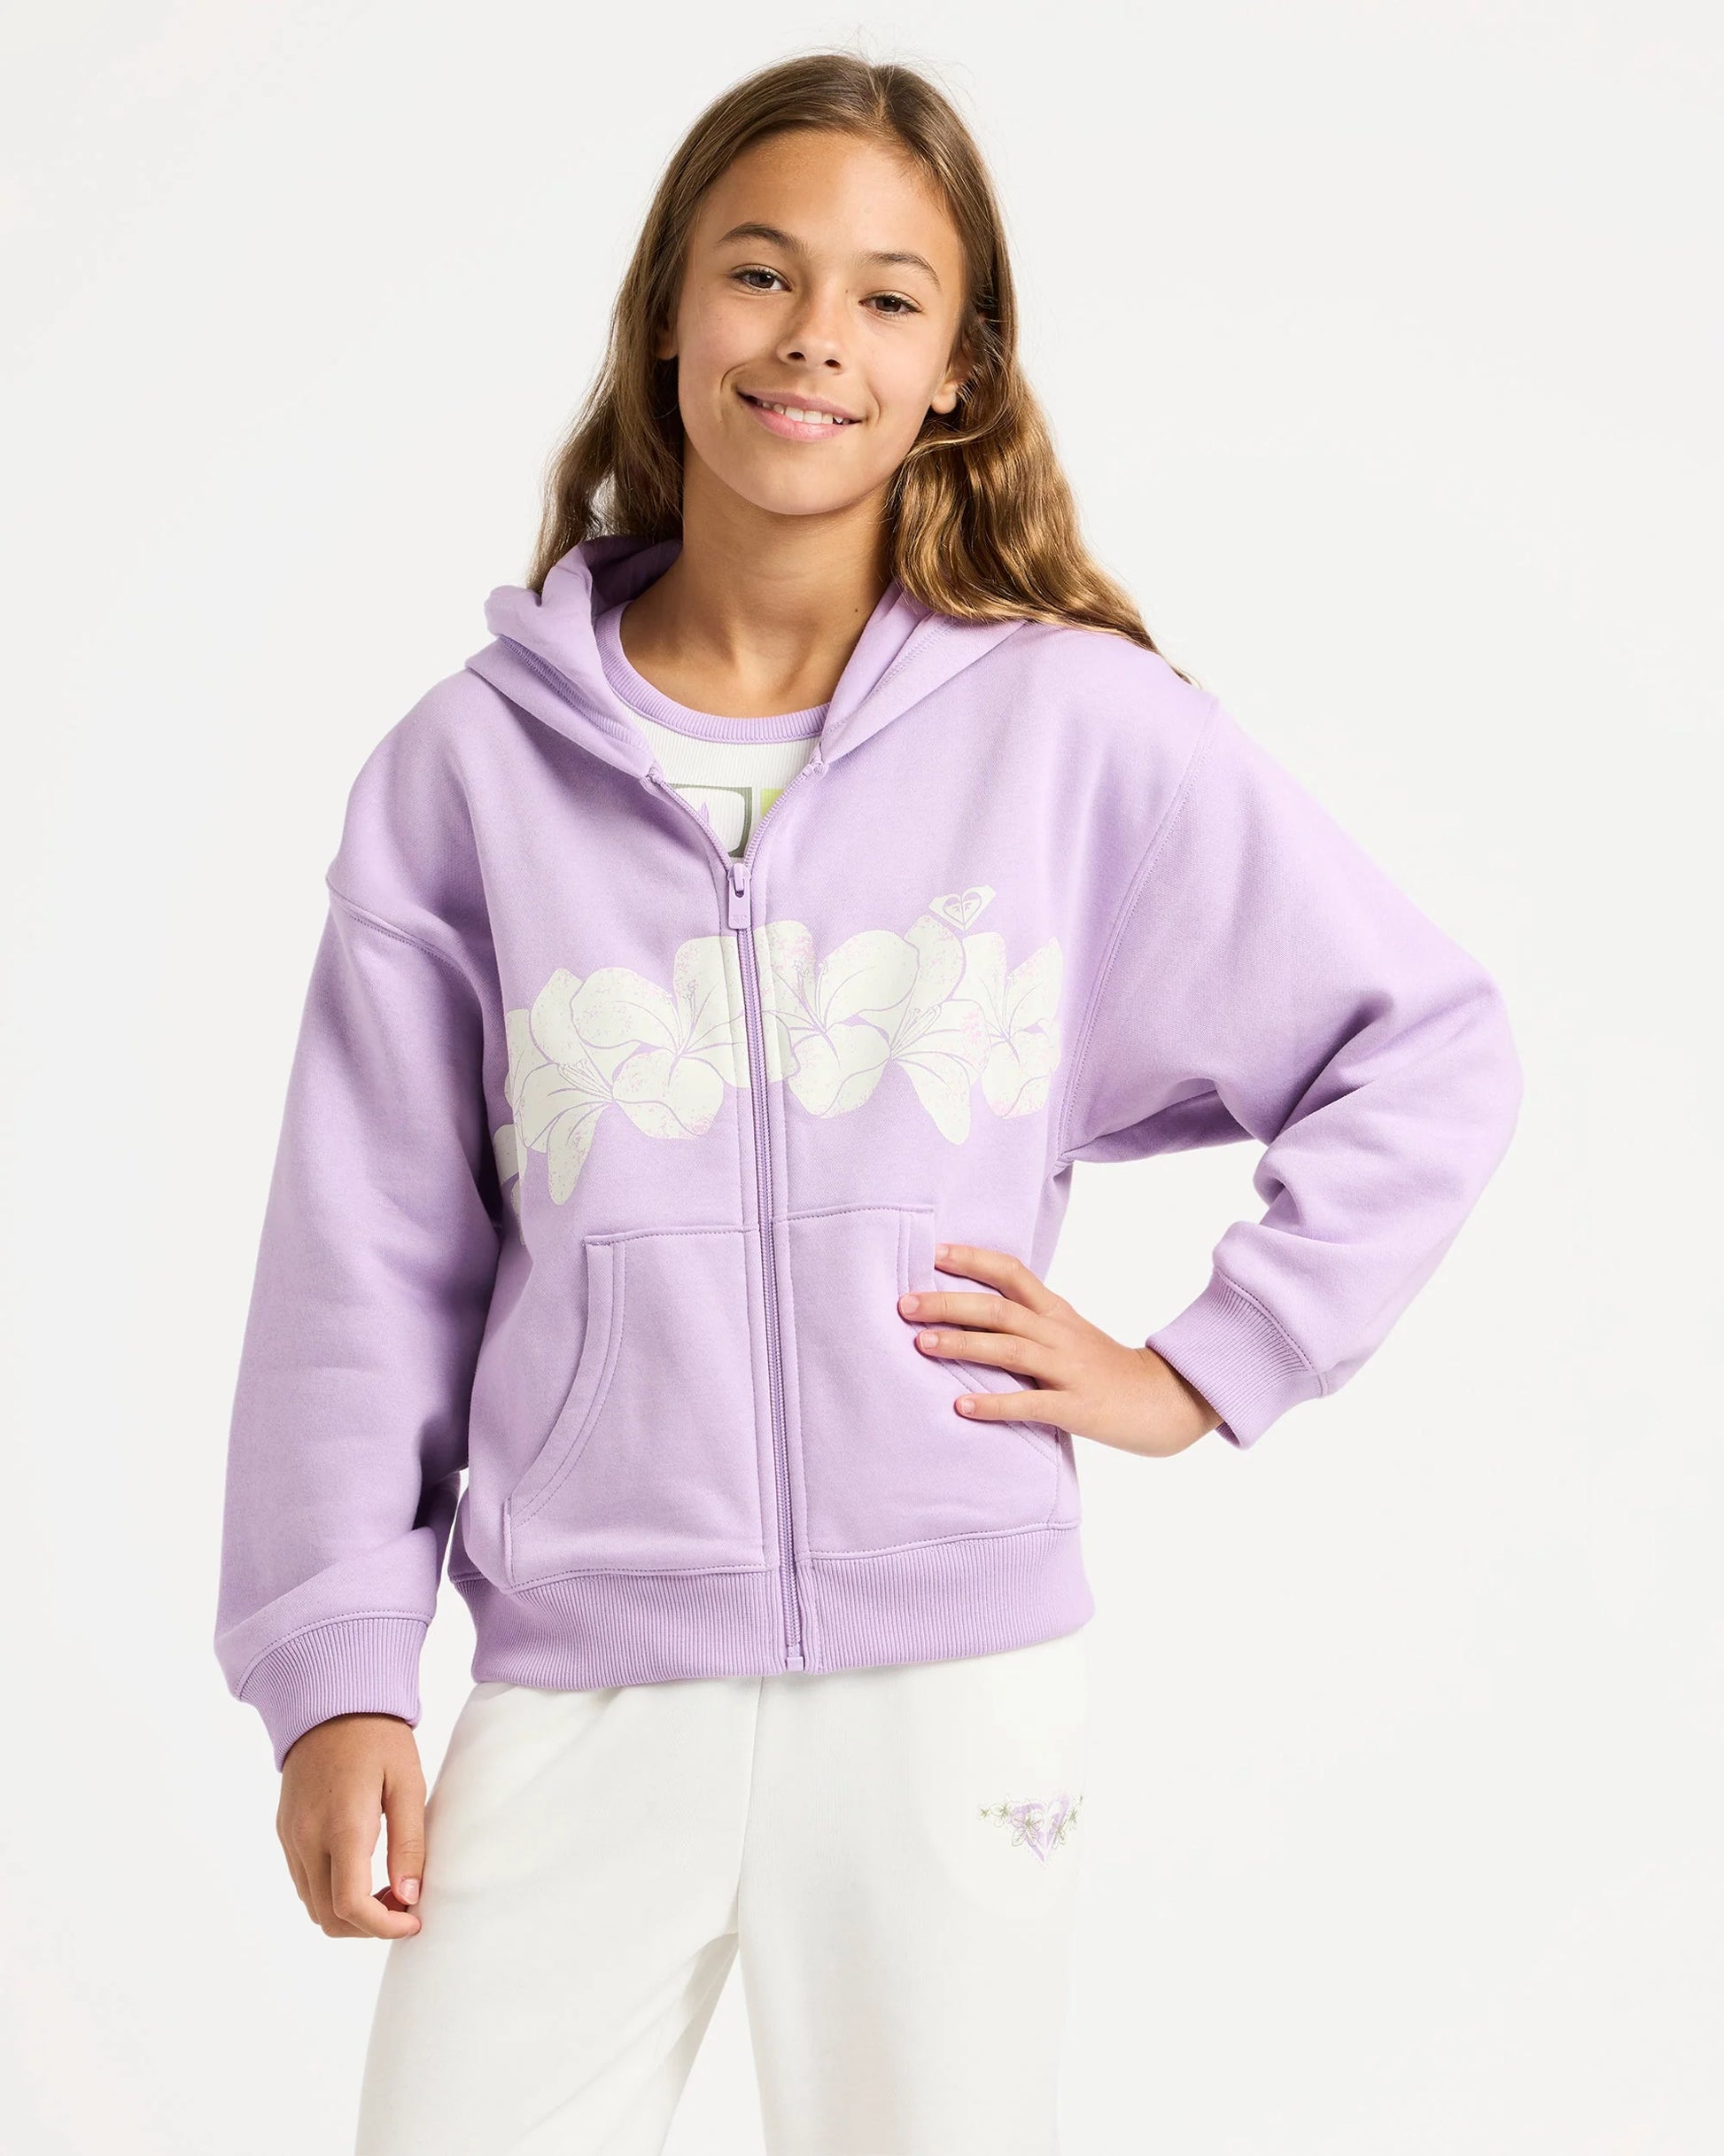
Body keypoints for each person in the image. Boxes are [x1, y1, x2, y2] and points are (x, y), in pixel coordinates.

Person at [212, 49, 1524, 2156]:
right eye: (760, 271)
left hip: (948, 1685)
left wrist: (1201, 1365)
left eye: (888, 295)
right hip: (584, 1670)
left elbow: (1424, 1045)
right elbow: (361, 1257)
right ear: (667, 312)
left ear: (956, 372)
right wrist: (339, 1666)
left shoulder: (1073, 730)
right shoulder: (469, 773)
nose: (815, 331)